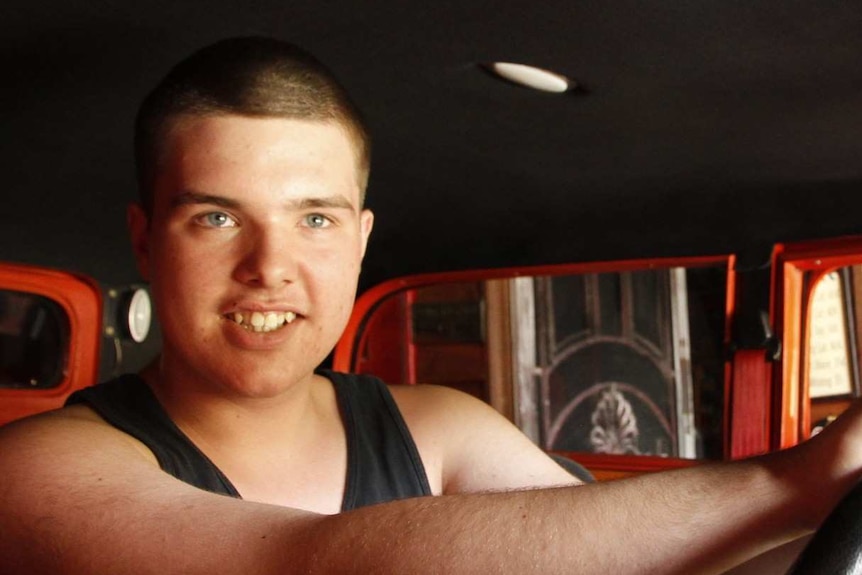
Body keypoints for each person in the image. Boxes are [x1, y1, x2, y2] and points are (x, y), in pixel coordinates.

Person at [0, 35, 860, 574]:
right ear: (146, 239)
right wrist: (790, 480)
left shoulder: (439, 428)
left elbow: (665, 560)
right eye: (217, 217)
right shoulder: (36, 472)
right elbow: (298, 560)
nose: (271, 267)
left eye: (315, 219)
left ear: (362, 239)